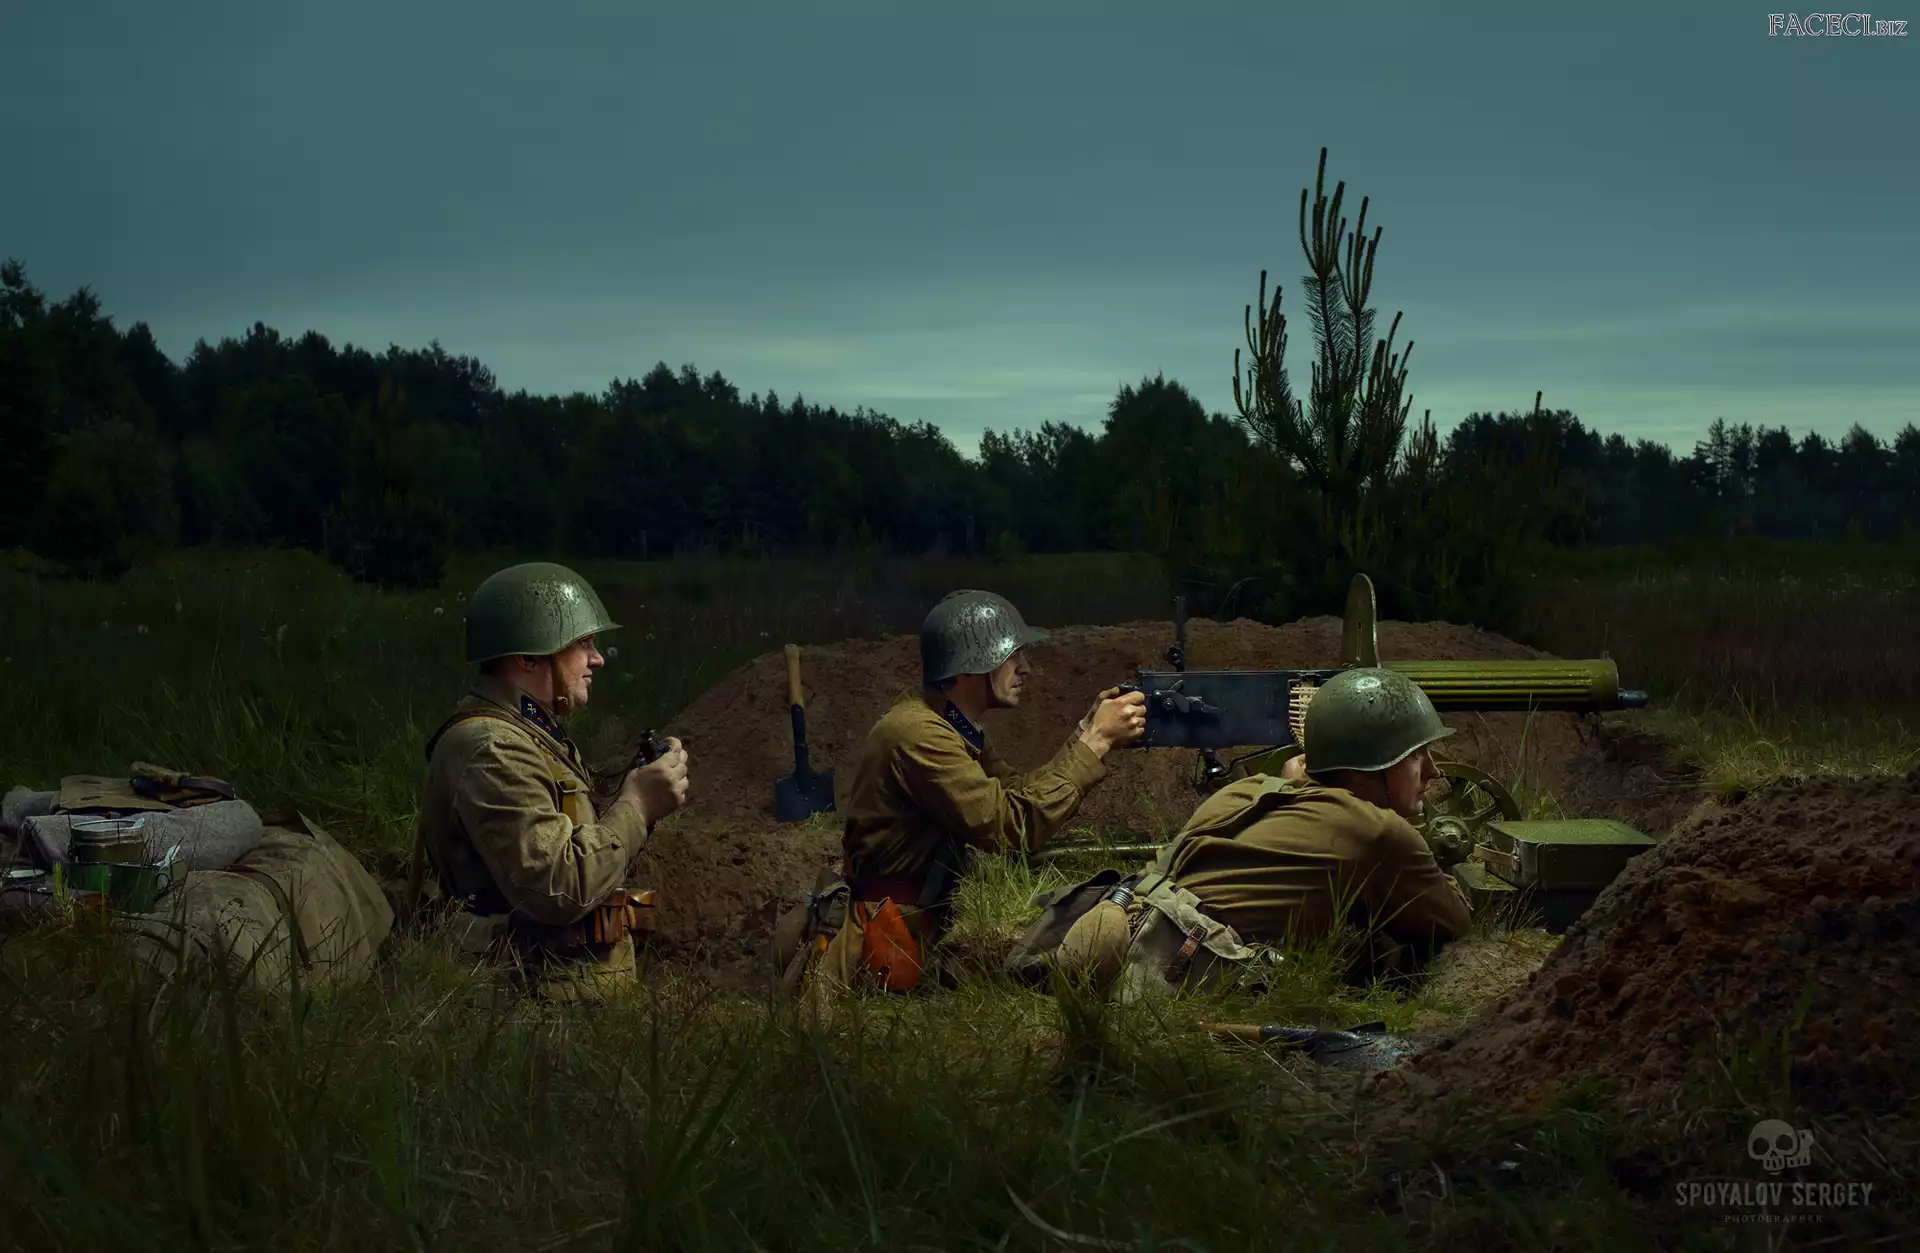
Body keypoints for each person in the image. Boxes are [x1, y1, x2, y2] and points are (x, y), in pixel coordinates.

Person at [773, 589, 1147, 996]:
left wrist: (1084, 733)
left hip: (918, 927)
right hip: (885, 941)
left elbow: (1012, 792)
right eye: (1012, 656)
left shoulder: (948, 726)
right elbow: (1009, 827)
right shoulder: (917, 734)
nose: (1026, 668)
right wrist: (1095, 743)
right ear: (971, 665)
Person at [413, 561, 690, 1003]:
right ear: (527, 657)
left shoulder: (527, 732)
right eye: (582, 643)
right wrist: (638, 806)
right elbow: (557, 887)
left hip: (551, 993)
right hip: (520, 1004)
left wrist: (639, 786)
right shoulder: (494, 748)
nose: (597, 659)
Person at [1146, 666, 1473, 987]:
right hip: (1172, 977)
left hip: (1138, 932)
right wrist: (1420, 845)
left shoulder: (1247, 790)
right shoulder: (1377, 833)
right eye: (1416, 755)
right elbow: (1455, 920)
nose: (1433, 771)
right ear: (1360, 773)